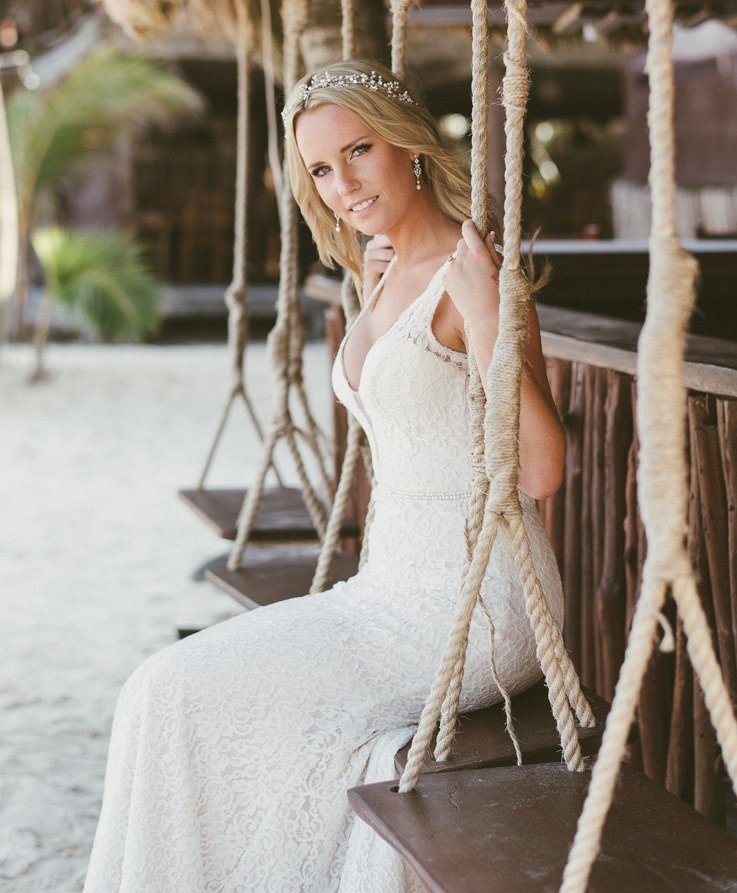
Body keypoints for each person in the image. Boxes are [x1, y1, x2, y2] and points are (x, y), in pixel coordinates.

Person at [83, 59, 565, 893]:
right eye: (319, 168)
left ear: (408, 149)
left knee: (191, 695)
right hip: (383, 593)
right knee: (164, 688)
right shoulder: (375, 274)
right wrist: (378, 289)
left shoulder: (474, 275)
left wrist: (487, 310)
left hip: (474, 605)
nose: (342, 183)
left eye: (359, 151)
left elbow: (541, 469)